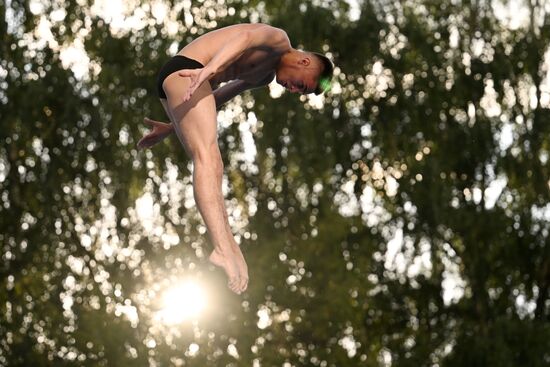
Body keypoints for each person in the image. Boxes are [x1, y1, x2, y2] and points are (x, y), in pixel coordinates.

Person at [138, 23, 333, 294]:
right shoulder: (278, 39)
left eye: (298, 92)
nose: (292, 90)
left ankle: (229, 247)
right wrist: (210, 69)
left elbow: (218, 97)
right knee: (209, 159)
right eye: (300, 84)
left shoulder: (264, 77)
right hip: (189, 69)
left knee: (213, 165)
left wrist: (173, 125)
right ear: (304, 61)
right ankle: (221, 247)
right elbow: (244, 37)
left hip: (190, 82)